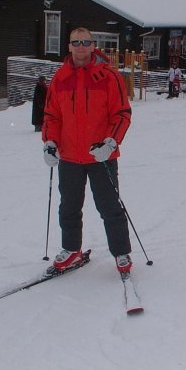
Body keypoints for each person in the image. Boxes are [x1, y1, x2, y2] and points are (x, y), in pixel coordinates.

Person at [42, 27, 133, 275]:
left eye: (85, 42)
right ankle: (72, 249)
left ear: (93, 46)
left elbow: (122, 114)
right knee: (69, 207)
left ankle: (121, 252)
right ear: (69, 46)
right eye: (76, 42)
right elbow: (51, 116)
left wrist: (111, 143)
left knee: (109, 206)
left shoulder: (109, 76)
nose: (80, 47)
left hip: (100, 155)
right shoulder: (60, 78)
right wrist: (50, 143)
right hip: (70, 156)